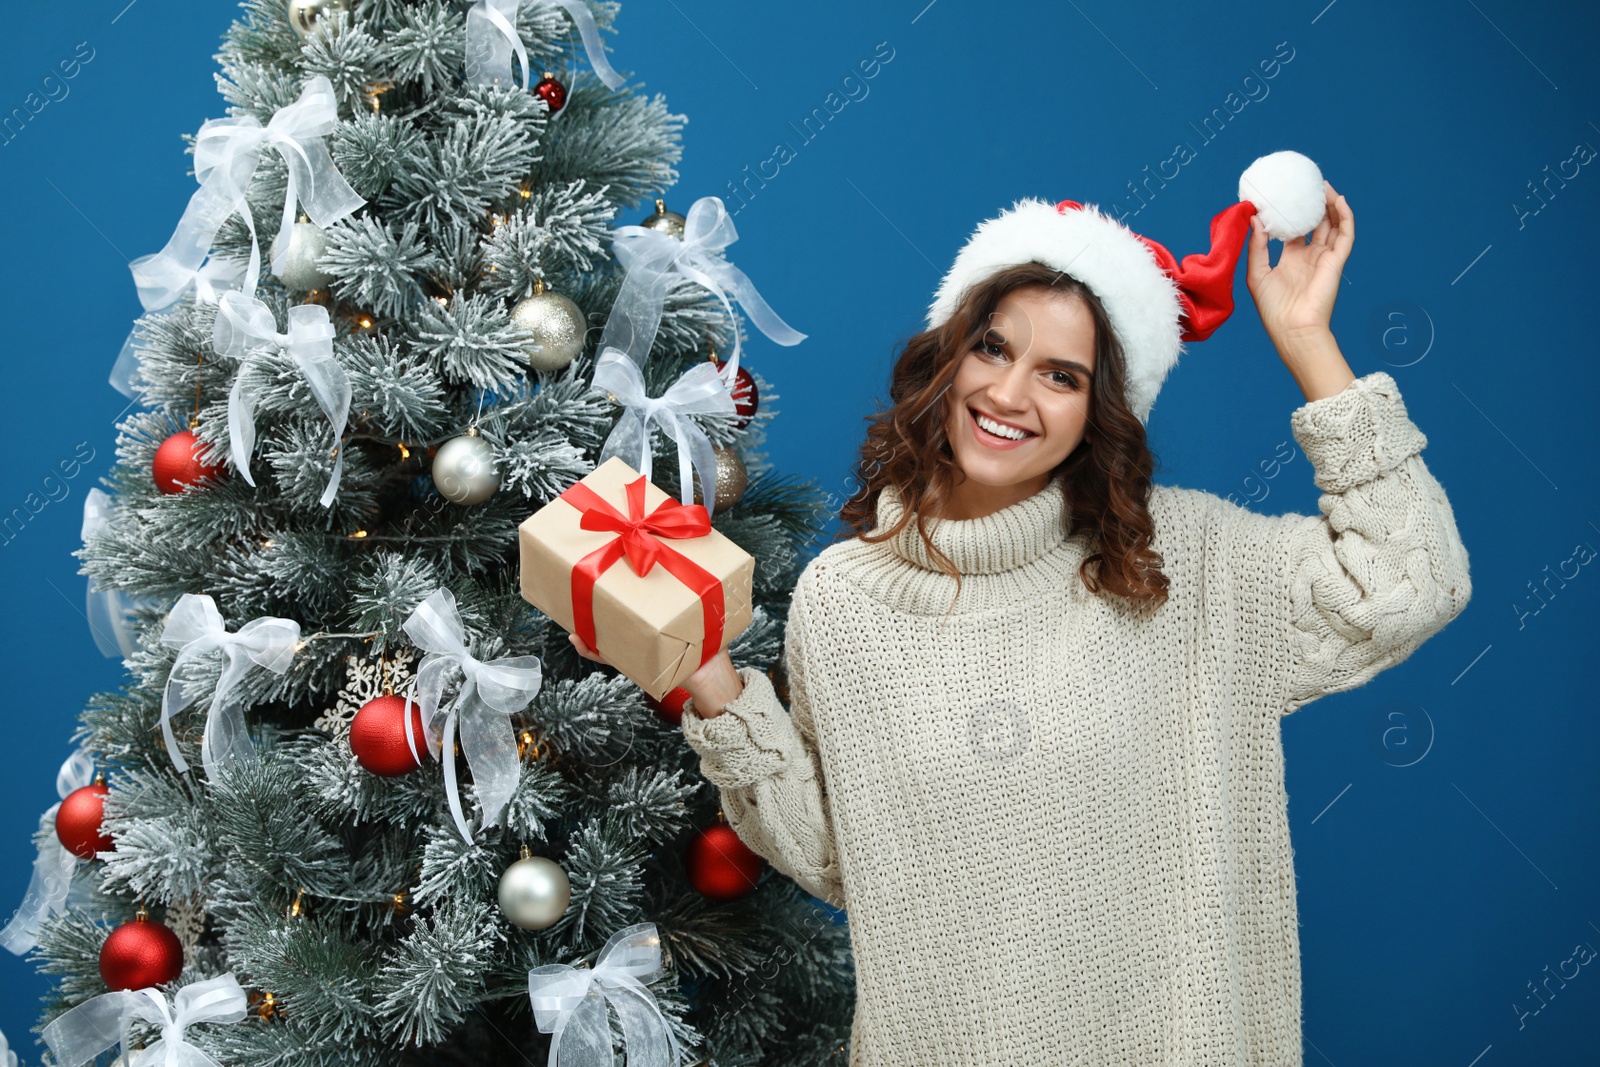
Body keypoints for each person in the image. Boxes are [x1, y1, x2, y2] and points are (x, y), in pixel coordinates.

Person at [570, 153, 1473, 1065]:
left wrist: (1309, 339)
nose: (1007, 394)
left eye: (1061, 375)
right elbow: (853, 860)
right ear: (949, 354)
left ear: (1101, 410)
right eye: (993, 347)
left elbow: (1411, 575)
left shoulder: (1188, 562)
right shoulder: (844, 600)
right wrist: (713, 679)